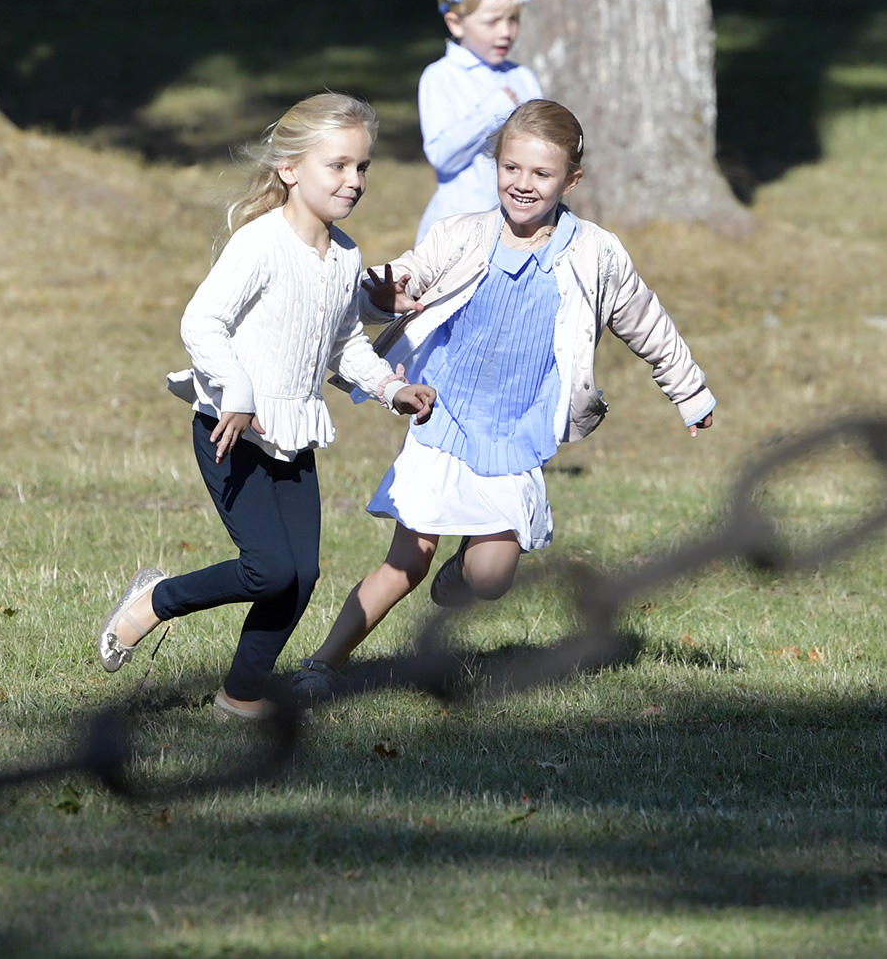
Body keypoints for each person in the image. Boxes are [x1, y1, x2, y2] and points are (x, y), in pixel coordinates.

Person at [293, 98, 715, 701]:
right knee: (406, 562)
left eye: (542, 174)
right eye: (511, 168)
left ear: (570, 180)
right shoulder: (462, 235)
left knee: (491, 578)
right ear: (497, 165)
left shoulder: (594, 254)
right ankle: (322, 663)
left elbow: (645, 321)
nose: (522, 184)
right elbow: (399, 281)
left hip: (516, 431)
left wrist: (688, 389)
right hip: (443, 415)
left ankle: (460, 575)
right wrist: (381, 293)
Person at [98, 93, 436, 720]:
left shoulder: (345, 256)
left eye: (362, 168)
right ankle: (154, 601)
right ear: (289, 169)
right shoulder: (259, 244)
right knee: (268, 569)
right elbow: (202, 321)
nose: (353, 181)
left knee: (298, 576)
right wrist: (237, 392)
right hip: (230, 429)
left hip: (291, 434)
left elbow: (345, 343)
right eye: (337, 165)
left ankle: (240, 695)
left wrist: (391, 388)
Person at [415, 0, 542, 244]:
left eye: (513, 20)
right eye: (492, 21)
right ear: (456, 23)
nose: (505, 32)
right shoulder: (441, 77)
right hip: (460, 228)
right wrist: (493, 112)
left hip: (520, 227)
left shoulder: (523, 77)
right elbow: (442, 155)